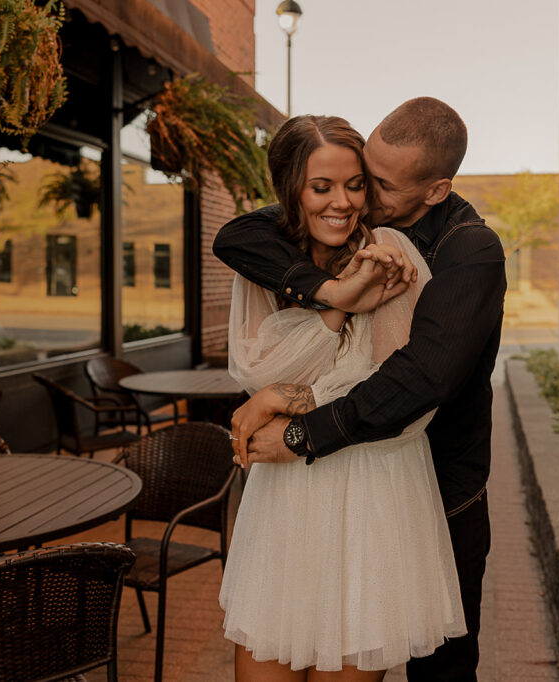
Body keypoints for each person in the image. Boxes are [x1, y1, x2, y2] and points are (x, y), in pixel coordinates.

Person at [214, 97, 506, 682]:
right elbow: (236, 235)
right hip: (297, 492)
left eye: (372, 183)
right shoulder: (311, 235)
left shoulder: (463, 251)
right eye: (345, 179)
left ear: (435, 191)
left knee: (441, 668)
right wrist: (335, 296)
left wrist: (293, 415)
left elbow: (419, 382)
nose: (356, 198)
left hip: (423, 482)